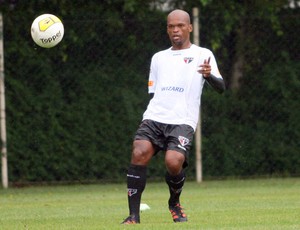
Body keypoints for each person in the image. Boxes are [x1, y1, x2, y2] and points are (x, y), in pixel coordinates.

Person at [121, 9, 225, 224]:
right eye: (171, 26)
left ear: (189, 27)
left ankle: (174, 203)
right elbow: (153, 92)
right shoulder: (158, 57)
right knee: (139, 151)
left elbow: (221, 86)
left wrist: (208, 75)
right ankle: (133, 216)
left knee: (174, 162)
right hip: (155, 116)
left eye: (179, 25)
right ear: (167, 29)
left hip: (182, 120)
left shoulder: (202, 54)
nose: (175, 30)